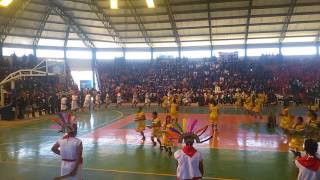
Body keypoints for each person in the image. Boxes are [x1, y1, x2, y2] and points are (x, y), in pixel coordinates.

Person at [51, 114, 83, 180]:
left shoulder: (60, 140)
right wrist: (74, 170)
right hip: (74, 165)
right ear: (74, 130)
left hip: (64, 165)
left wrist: (63, 154)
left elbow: (53, 149)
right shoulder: (78, 142)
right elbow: (78, 157)